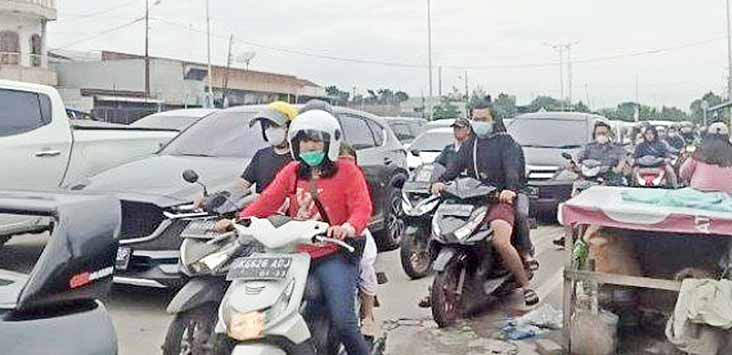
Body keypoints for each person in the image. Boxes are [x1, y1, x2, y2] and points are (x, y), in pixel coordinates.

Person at [220, 109, 372, 355]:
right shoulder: (292, 171)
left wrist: (346, 228)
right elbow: (267, 201)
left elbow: (362, 208)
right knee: (262, 307)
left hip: (335, 253)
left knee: (344, 321)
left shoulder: (347, 172)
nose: (309, 148)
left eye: (315, 142)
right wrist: (238, 220)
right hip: (295, 253)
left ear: (330, 143)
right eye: (304, 142)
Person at [431, 101, 539, 306]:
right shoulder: (470, 144)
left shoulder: (507, 143)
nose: (478, 123)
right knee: (441, 232)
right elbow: (453, 167)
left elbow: (512, 171)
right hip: (472, 201)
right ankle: (437, 286)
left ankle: (525, 286)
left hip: (499, 199)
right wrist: (440, 181)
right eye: (475, 119)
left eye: (483, 119)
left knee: (500, 239)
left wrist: (509, 190)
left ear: (494, 120)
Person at [339, 142, 380, 340]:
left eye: (349, 160)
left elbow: (363, 211)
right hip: (317, 236)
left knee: (364, 264)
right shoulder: (312, 179)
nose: (346, 165)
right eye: (341, 160)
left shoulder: (358, 181)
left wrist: (350, 226)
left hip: (355, 233)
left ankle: (368, 316)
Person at [679, 122, 732, 194]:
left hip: (700, 194)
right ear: (727, 136)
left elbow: (683, 173)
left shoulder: (699, 151)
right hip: (728, 196)